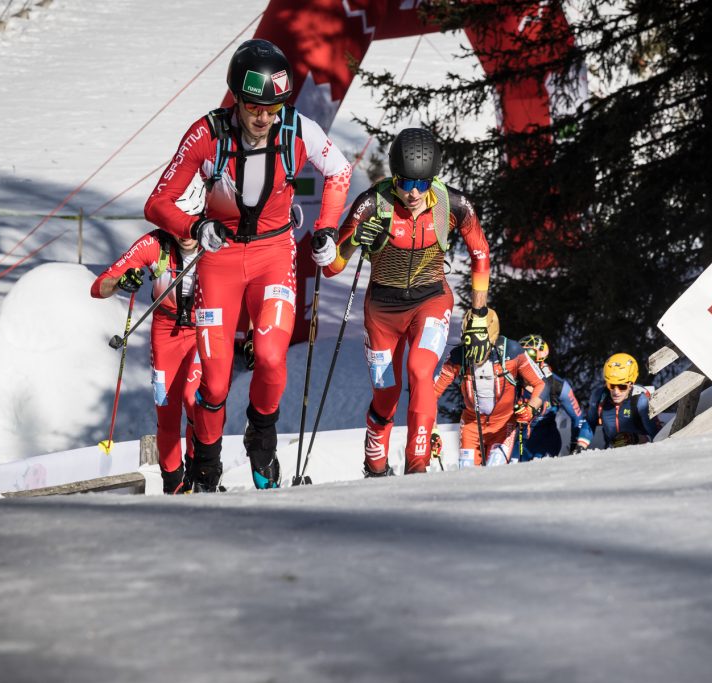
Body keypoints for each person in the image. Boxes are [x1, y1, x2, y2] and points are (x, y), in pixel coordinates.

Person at [144, 39, 351, 491]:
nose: (264, 117)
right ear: (236, 97)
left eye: (273, 107)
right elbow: (157, 203)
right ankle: (206, 466)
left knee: (272, 358)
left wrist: (328, 227)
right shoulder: (207, 134)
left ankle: (263, 445)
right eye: (255, 106)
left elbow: (339, 172)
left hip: (274, 256)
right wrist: (196, 227)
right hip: (219, 261)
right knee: (215, 383)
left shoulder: (298, 128)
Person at [324, 127, 491, 476]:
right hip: (382, 313)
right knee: (386, 394)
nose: (413, 193)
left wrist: (478, 312)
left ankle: (417, 470)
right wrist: (354, 240)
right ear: (393, 176)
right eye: (405, 183)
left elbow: (481, 254)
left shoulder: (453, 204)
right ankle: (375, 466)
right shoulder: (372, 203)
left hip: (431, 300)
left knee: (419, 370)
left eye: (422, 183)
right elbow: (332, 266)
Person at [91, 230, 200, 494]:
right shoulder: (155, 244)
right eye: (178, 224)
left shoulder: (216, 236)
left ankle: (202, 475)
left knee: (195, 400)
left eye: (191, 222)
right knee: (166, 408)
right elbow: (99, 287)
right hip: (165, 332)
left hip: (203, 327)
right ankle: (174, 484)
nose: (185, 233)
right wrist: (120, 283)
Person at [435, 310, 546, 468]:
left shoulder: (512, 351)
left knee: (495, 469)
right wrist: (431, 430)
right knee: (466, 474)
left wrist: (531, 408)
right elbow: (431, 394)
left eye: (481, 344)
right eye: (470, 345)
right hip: (471, 425)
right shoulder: (457, 356)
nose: (475, 351)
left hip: (503, 425)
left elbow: (541, 383)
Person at [511, 333, 588, 461]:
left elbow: (578, 418)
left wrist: (576, 445)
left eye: (529, 357)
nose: (523, 363)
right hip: (516, 442)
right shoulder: (511, 381)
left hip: (545, 442)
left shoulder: (556, 385)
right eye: (520, 357)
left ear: (540, 361)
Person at [575, 352, 660, 451]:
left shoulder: (640, 400)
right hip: (611, 453)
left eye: (622, 386)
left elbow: (657, 435)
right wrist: (580, 446)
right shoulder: (599, 397)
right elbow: (590, 422)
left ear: (631, 384)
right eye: (611, 385)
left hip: (641, 453)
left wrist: (636, 439)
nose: (616, 392)